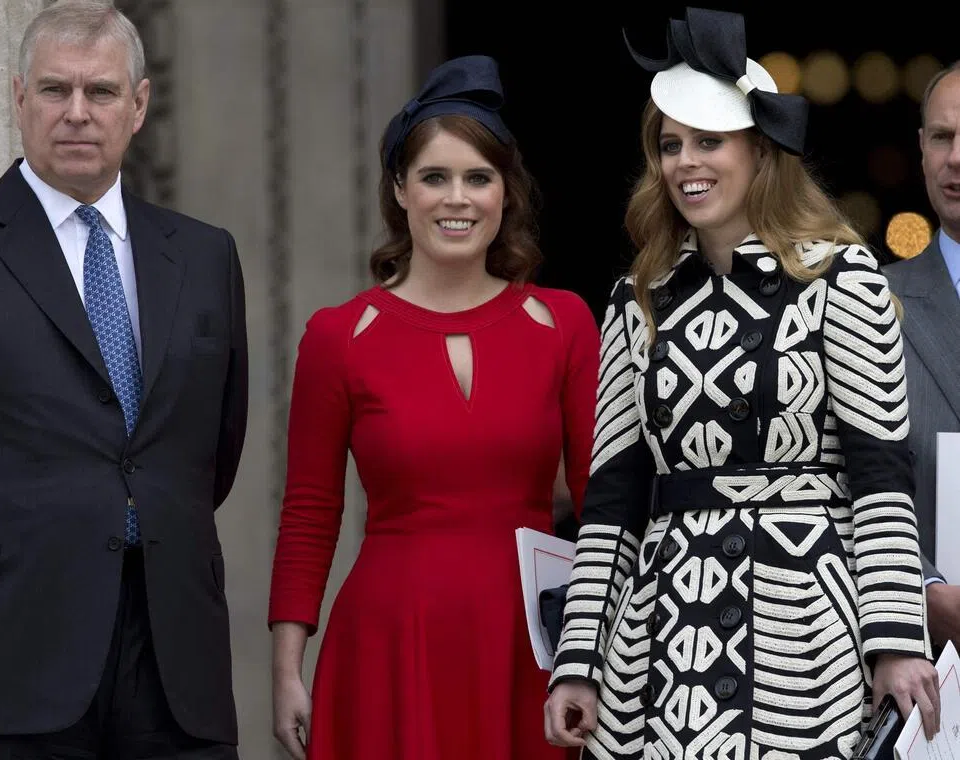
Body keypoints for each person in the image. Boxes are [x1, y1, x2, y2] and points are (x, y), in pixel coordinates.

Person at [0, 2, 247, 758]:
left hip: (170, 662)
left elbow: (209, 454)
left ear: (140, 104)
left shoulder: (205, 257)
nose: (78, 114)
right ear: (18, 98)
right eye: (56, 91)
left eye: (101, 93)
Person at [544, 8, 940, 757]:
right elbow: (614, 499)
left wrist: (895, 639)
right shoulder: (638, 298)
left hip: (803, 644)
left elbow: (882, 473)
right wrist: (579, 663)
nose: (685, 162)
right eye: (670, 145)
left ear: (761, 151)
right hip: (661, 646)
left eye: (708, 141)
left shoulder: (840, 277)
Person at [267, 55, 599, 760]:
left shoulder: (564, 323)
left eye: (479, 178)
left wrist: (605, 652)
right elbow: (309, 511)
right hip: (387, 643)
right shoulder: (339, 336)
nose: (458, 199)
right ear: (400, 189)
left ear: (506, 193)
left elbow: (604, 503)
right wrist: (287, 669)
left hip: (529, 645)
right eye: (435, 178)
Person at [884, 61, 960, 654]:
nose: (956, 158)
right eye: (942, 137)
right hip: (931, 664)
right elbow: (843, 479)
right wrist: (923, 586)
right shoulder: (871, 301)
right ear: (921, 148)